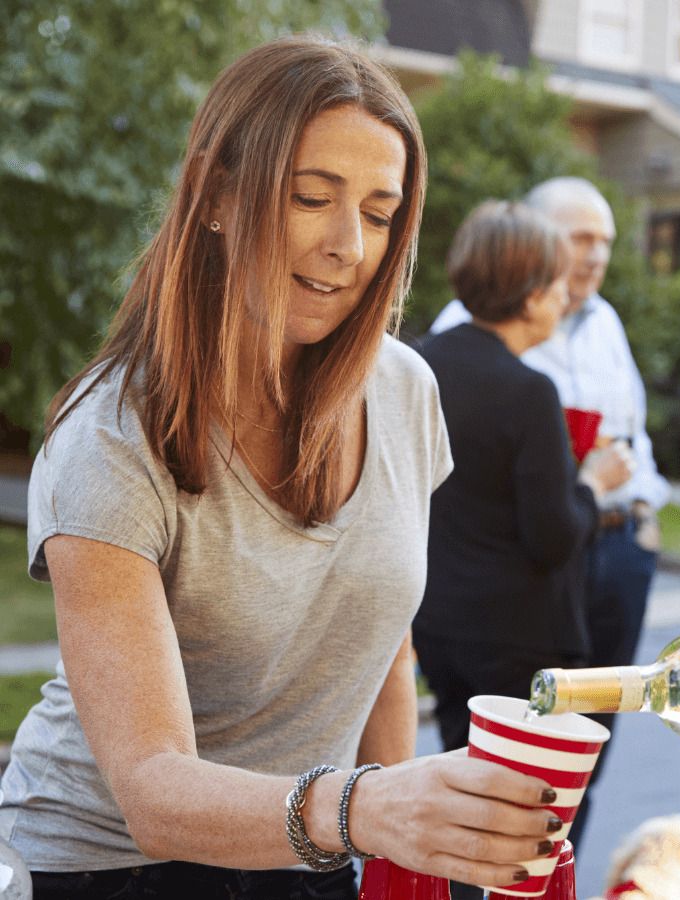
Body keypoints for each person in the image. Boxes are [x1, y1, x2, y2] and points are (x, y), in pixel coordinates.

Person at [0, 38, 563, 899]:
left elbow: (384, 648)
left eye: (379, 215)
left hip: (310, 841)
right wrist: (372, 812)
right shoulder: (109, 439)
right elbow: (152, 790)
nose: (347, 245)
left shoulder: (406, 390)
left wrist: (404, 856)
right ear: (219, 193)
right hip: (112, 861)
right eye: (311, 198)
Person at [430, 177, 670, 851]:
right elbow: (552, 534)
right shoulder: (530, 388)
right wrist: (589, 482)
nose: (571, 289)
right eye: (561, 274)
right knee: (533, 804)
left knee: (464, 784)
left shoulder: (423, 363)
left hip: (445, 618)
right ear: (533, 290)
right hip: (521, 624)